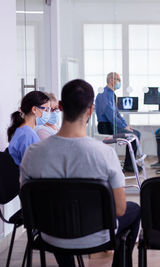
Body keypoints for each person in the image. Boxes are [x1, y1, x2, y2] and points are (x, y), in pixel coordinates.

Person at [20, 79, 141, 267]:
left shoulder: (32, 154)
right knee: (134, 210)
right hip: (98, 237)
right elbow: (119, 209)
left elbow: (28, 207)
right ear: (91, 110)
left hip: (51, 236)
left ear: (60, 106)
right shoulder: (105, 154)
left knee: (59, 218)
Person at [95, 72, 142, 173]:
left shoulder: (111, 94)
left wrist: (125, 125)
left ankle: (129, 164)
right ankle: (129, 165)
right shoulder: (104, 94)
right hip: (106, 126)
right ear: (111, 80)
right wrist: (124, 127)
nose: (119, 82)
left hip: (112, 125)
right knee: (135, 135)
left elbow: (117, 114)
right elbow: (110, 116)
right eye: (118, 79)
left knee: (137, 134)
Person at [7, 91, 50, 166]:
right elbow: (35, 170)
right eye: (46, 109)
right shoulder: (28, 136)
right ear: (34, 109)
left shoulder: (21, 131)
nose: (48, 113)